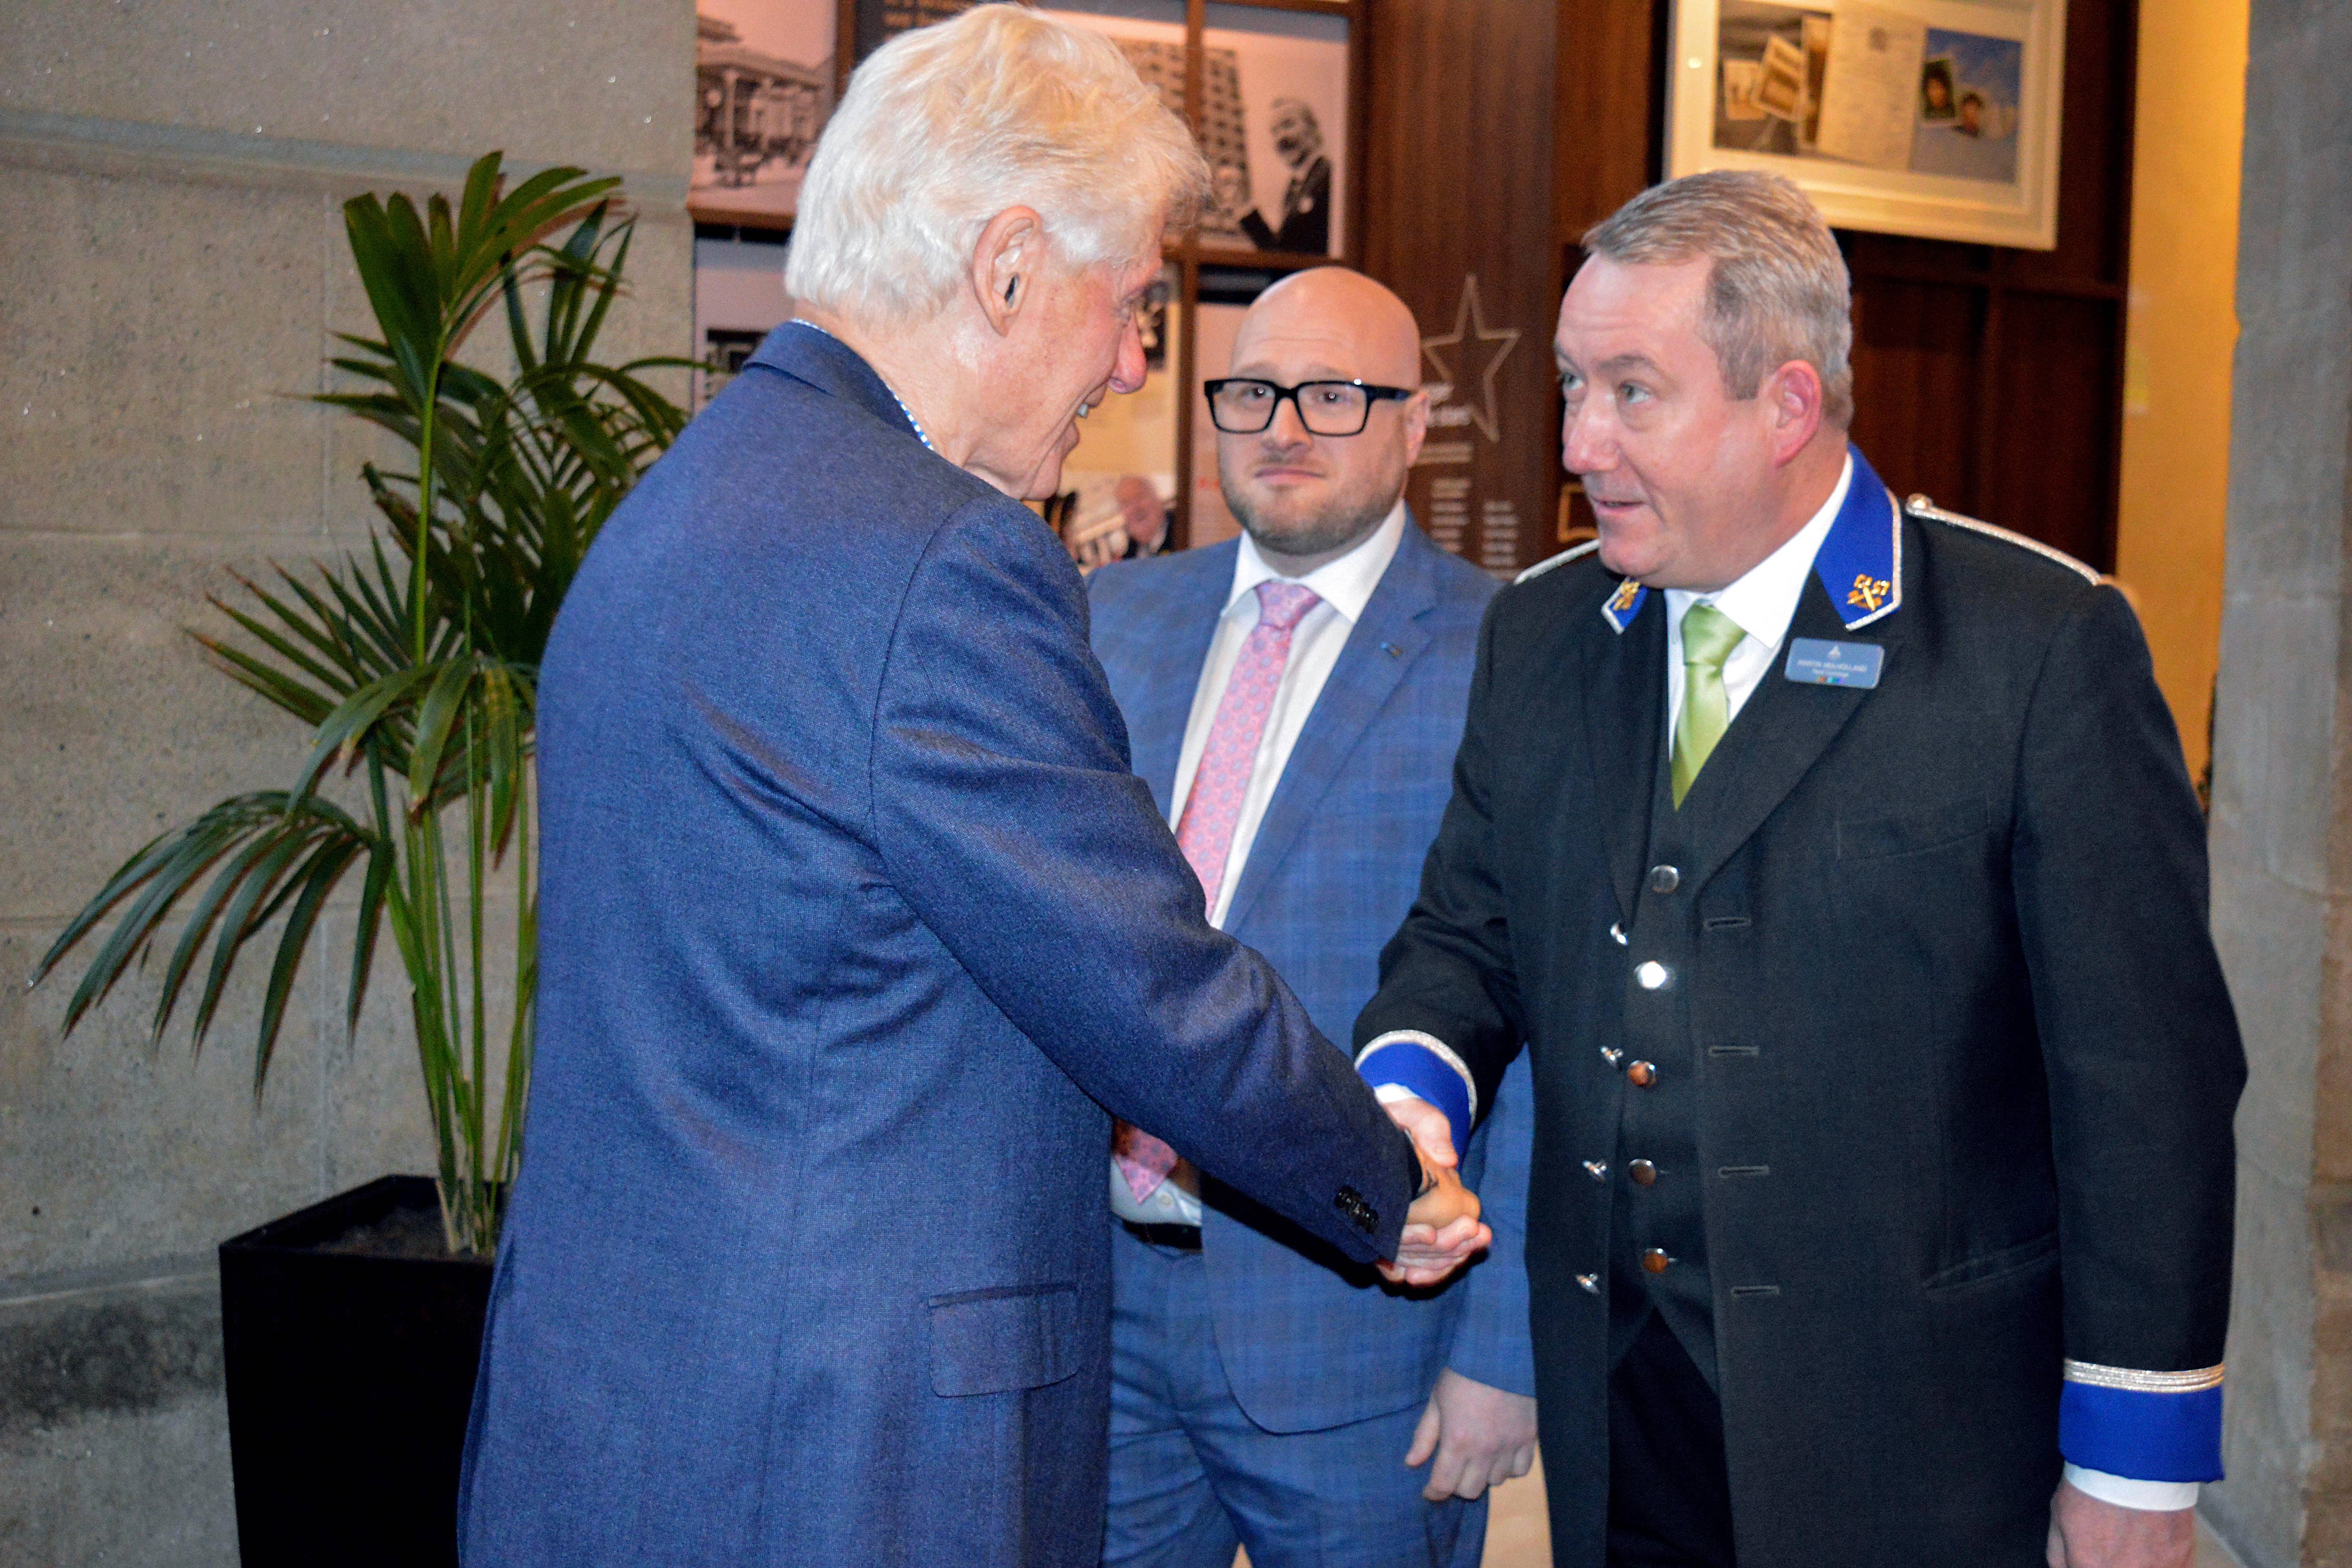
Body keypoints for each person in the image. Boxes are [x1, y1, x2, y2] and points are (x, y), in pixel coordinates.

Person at [455, 12, 1490, 1568]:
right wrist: (1384, 1175)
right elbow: (1145, 982)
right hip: (845, 1441)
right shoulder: (943, 556)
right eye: (1134, 298)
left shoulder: (683, 496)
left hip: (632, 1391)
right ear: (1007, 266)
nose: (1138, 358)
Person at [1354, 169, 2244, 1568]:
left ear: (1783, 404)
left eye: (1630, 391)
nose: (1578, 441)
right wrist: (1402, 1092)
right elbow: (1464, 937)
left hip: (1918, 1429)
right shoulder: (1541, 636)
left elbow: (2147, 1084)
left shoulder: (2033, 646)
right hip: (1622, 1394)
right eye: (1573, 386)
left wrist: (2133, 1457)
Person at [1086, 267, 1540, 1568]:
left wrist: (1501, 1352)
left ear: (1413, 421)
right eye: (1250, 390)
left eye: (1334, 395)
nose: (1282, 425)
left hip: (1364, 1344)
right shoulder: (1111, 620)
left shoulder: (1510, 654)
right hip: (1105, 1306)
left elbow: (1550, 1028)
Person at [1238, 99, 1333, 255]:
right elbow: (1283, 252)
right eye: (1275, 131)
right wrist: (1245, 208)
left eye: (1288, 125)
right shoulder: (1296, 185)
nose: (1281, 137)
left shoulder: (1328, 177)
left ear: (1313, 128)